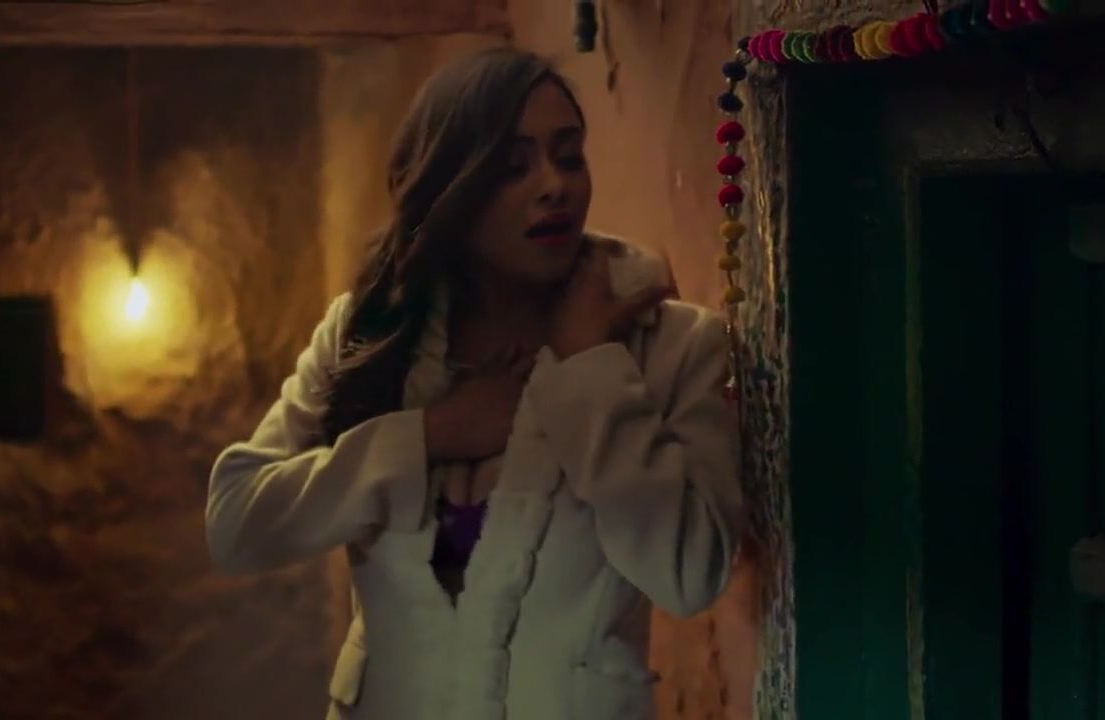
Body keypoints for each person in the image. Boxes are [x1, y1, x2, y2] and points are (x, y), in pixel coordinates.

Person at [204, 47, 744, 720]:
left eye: (569, 156)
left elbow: (692, 573)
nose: (554, 185)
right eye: (513, 167)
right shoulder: (370, 334)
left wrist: (590, 370)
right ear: (448, 189)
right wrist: (427, 435)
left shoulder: (673, 348)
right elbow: (238, 523)